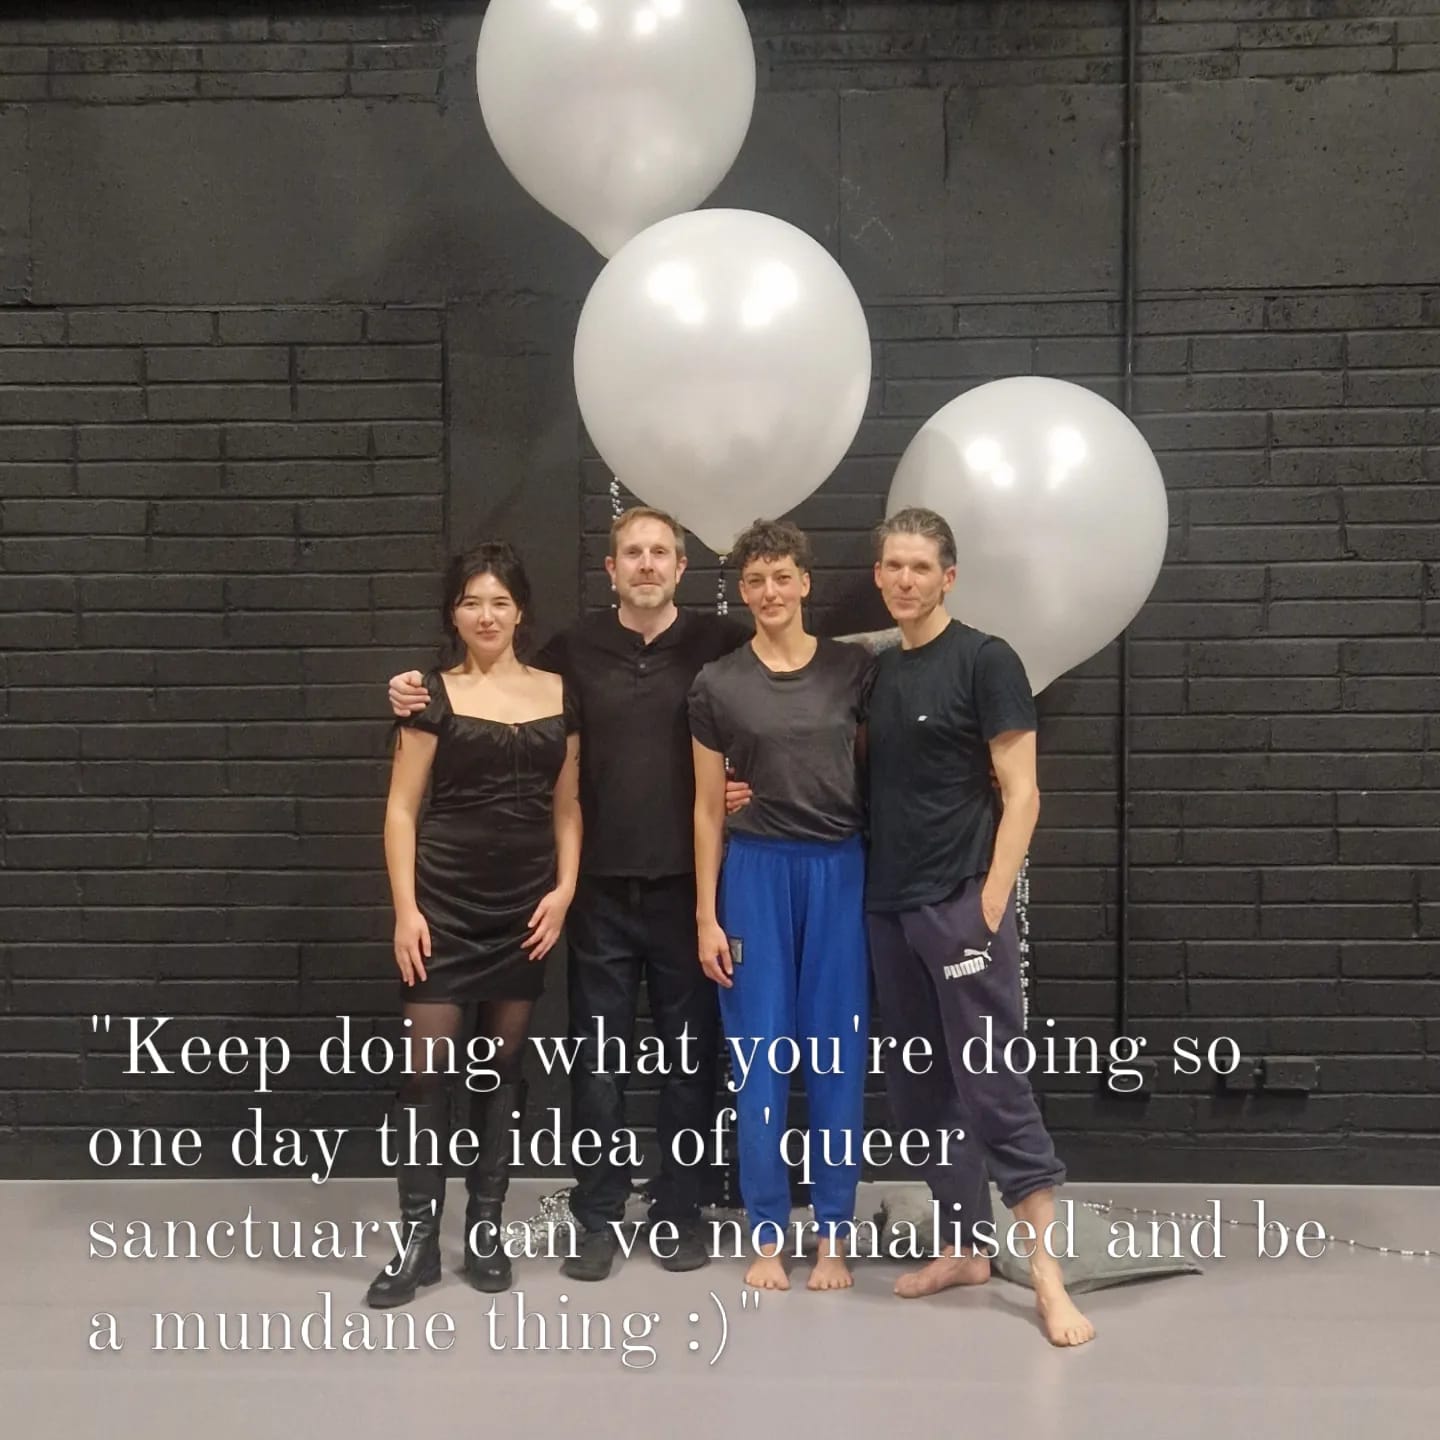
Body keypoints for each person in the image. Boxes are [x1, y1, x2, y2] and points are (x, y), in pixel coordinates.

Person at [389, 508, 751, 1281]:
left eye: (660, 553)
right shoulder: (571, 654)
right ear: (611, 568)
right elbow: (487, 682)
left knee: (691, 1061)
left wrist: (759, 786)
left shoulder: (721, 644)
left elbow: (802, 682)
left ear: (682, 569)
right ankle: (597, 1217)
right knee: (597, 1064)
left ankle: (679, 1210)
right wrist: (408, 689)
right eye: (632, 553)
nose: (646, 564)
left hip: (691, 886)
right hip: (596, 895)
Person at [864, 506, 1094, 1348]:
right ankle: (964, 1246)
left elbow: (1022, 791)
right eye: (892, 566)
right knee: (921, 1087)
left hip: (961, 900)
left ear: (948, 577)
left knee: (993, 1084)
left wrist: (992, 898)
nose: (904, 581)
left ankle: (1045, 1275)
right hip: (887, 907)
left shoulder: (987, 660)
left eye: (920, 568)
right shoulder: (881, 673)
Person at [368, 541, 581, 1307]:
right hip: (444, 903)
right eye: (470, 602)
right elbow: (400, 808)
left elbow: (569, 806)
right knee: (425, 1075)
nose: (485, 615)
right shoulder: (428, 693)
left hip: (525, 903)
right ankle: (418, 1237)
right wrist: (406, 910)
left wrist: (564, 892)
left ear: (520, 610)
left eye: (498, 601)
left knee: (499, 1071)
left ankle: (485, 1225)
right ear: (452, 613)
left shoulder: (563, 691)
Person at [690, 519, 875, 1293]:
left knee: (836, 1059)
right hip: (754, 876)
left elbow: (874, 771)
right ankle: (767, 1230)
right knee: (759, 1063)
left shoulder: (855, 671)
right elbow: (705, 808)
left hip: (838, 871)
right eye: (754, 580)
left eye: (781, 577)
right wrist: (706, 913)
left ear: (805, 581)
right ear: (742, 590)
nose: (769, 592)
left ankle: (832, 1233)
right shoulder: (717, 683)